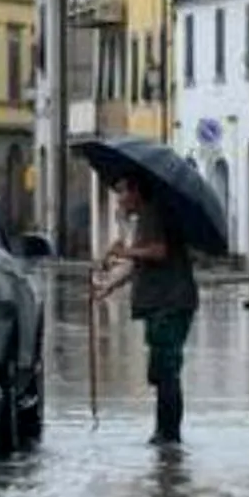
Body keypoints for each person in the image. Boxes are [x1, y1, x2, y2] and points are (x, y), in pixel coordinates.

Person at [93, 177, 200, 445]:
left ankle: (169, 436)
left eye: (122, 192)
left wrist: (125, 251)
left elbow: (158, 251)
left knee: (166, 370)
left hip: (169, 303)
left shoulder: (154, 212)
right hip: (162, 304)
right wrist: (110, 285)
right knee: (161, 371)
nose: (118, 199)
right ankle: (164, 433)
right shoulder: (146, 216)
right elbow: (140, 264)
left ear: (137, 191)